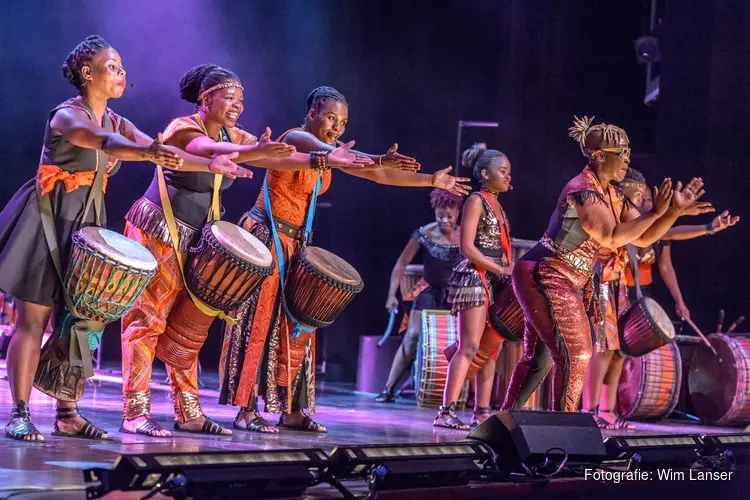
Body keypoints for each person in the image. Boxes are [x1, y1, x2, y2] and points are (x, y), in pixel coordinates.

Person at [1, 36, 246, 441]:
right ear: (87, 73)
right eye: (113, 66)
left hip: (87, 224)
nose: (122, 73)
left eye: (121, 67)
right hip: (48, 218)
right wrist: (148, 152)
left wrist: (210, 161)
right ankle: (21, 413)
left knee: (81, 320)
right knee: (34, 319)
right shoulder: (67, 115)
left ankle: (67, 412)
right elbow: (101, 142)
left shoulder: (117, 120)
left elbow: (163, 150)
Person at [120, 66, 369, 437]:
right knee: (148, 321)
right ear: (206, 99)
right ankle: (134, 411)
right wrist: (248, 150)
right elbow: (205, 149)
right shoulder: (183, 127)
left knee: (188, 325)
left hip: (198, 236)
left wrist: (322, 160)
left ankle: (188, 411)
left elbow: (277, 159)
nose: (238, 105)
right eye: (230, 97)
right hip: (159, 230)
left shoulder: (233, 134)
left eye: (241, 100)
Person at [220, 86, 471, 433]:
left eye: (343, 122)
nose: (337, 128)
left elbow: (376, 174)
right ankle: (245, 409)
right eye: (331, 118)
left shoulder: (333, 150)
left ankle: (292, 409)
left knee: (300, 327)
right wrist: (375, 159)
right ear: (311, 114)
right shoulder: (297, 137)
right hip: (266, 236)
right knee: (259, 323)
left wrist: (428, 179)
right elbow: (342, 157)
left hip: (297, 244)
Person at [500, 116, 704, 414]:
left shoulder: (613, 194)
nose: (627, 159)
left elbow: (645, 237)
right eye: (621, 153)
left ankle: (505, 421)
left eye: (628, 152)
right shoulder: (583, 189)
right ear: (598, 155)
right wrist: (657, 212)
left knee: (540, 359)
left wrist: (672, 213)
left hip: (565, 279)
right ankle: (562, 432)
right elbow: (610, 237)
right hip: (545, 274)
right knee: (577, 353)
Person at [581, 167, 737, 429]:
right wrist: (674, 212)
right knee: (604, 351)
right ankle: (589, 411)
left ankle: (607, 410)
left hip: (631, 293)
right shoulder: (609, 214)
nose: (640, 203)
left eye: (644, 199)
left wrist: (707, 226)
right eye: (636, 198)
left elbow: (667, 238)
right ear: (619, 194)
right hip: (606, 286)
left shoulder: (646, 226)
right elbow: (656, 227)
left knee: (620, 352)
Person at [433, 143, 514, 430]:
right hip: (473, 277)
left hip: (492, 279)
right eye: (502, 171)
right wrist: (500, 269)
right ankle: (445, 411)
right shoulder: (476, 201)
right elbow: (467, 248)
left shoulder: (498, 205)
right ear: (484, 173)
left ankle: (481, 411)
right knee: (469, 347)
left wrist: (507, 271)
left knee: (491, 350)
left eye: (509, 172)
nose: (508, 177)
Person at [375, 189, 463, 403]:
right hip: (430, 291)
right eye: (440, 215)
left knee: (461, 341)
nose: (444, 220)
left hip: (456, 294)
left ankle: (455, 395)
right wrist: (391, 295)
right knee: (412, 336)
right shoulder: (423, 234)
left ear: (458, 213)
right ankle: (389, 389)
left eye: (449, 216)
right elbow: (401, 264)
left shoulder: (465, 235)